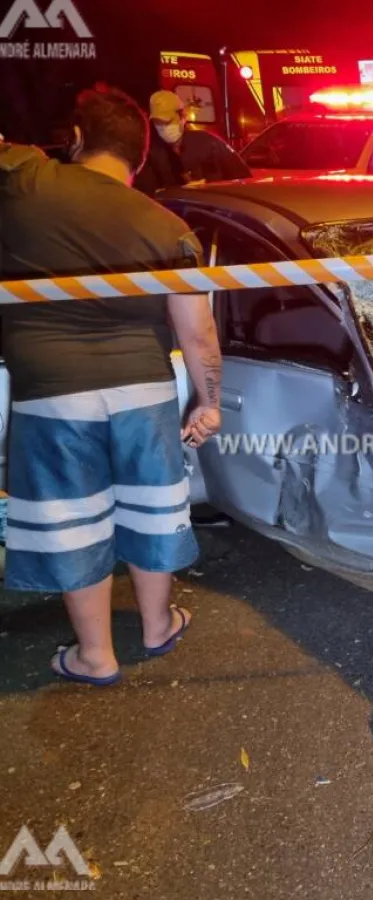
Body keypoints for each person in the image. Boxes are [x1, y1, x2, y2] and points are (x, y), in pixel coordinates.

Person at [0, 86, 223, 685]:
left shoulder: (25, 179)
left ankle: (95, 654)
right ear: (142, 158)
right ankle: (157, 627)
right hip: (143, 390)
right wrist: (209, 403)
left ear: (74, 137)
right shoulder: (166, 225)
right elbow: (197, 332)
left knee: (75, 519)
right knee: (151, 511)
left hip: (51, 390)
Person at [133, 90, 250, 195]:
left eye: (168, 122)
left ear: (183, 117)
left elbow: (244, 180)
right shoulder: (150, 155)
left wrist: (209, 187)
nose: (163, 127)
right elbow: (144, 195)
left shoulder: (208, 143)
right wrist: (180, 191)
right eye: (158, 123)